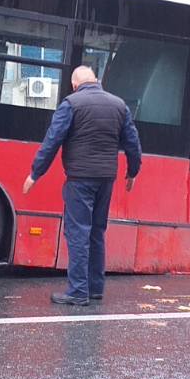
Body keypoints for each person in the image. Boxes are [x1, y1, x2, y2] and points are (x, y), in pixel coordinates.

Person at [23, 65, 142, 306]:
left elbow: (52, 140)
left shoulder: (72, 103)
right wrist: (132, 172)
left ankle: (78, 291)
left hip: (80, 179)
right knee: (97, 232)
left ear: (75, 85)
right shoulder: (119, 105)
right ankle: (95, 288)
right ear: (96, 81)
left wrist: (36, 173)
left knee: (78, 233)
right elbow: (133, 142)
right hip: (106, 179)